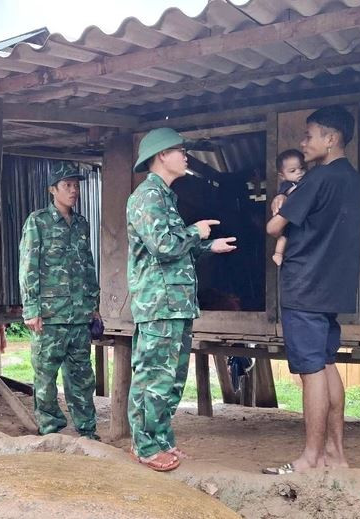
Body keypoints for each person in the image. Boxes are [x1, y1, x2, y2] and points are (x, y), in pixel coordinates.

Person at [127, 127, 237, 472]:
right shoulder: (147, 197)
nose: (185, 156)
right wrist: (196, 231)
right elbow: (163, 247)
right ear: (162, 155)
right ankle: (144, 445)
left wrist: (208, 246)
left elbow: (175, 251)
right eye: (180, 150)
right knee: (152, 375)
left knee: (172, 377)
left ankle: (161, 439)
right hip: (158, 303)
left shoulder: (165, 197)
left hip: (175, 302)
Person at [265, 106, 360, 474]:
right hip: (332, 288)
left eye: (309, 135)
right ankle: (336, 455)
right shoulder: (351, 178)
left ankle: (311, 457)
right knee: (326, 364)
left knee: (310, 372)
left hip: (304, 286)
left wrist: (281, 203)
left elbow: (275, 227)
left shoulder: (318, 178)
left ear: (330, 139)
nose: (303, 143)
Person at [18, 162, 101, 440]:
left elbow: (88, 267)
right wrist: (31, 309)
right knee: (45, 376)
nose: (73, 190)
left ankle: (87, 430)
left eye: (76, 185)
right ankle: (51, 429)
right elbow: (28, 266)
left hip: (79, 314)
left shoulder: (81, 224)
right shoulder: (38, 221)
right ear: (52, 190)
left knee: (82, 376)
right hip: (50, 315)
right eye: (67, 185)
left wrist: (94, 306)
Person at [272, 149, 308, 266]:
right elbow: (286, 193)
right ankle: (278, 254)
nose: (299, 172)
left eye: (302, 168)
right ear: (282, 176)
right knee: (284, 236)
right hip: (288, 218)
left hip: (300, 219)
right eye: (293, 171)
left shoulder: (308, 180)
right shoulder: (287, 185)